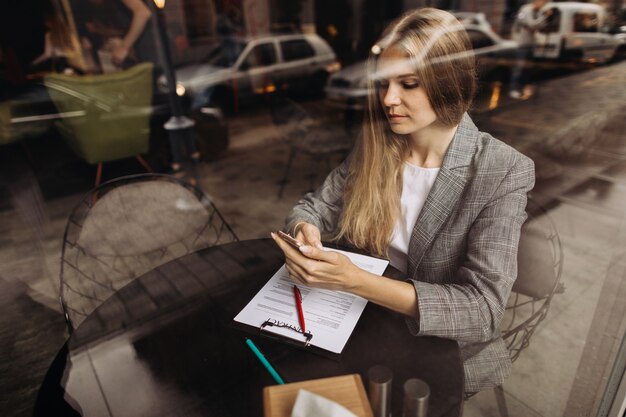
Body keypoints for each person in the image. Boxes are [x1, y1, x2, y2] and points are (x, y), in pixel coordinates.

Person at [271, 8, 535, 393]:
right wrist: (305, 232)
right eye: (383, 84)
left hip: (443, 348)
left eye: (409, 84)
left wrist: (355, 281)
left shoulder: (502, 170)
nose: (389, 99)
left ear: (448, 83)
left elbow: (482, 311)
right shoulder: (379, 143)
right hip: (367, 322)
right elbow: (314, 206)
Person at [509, 0, 552, 98]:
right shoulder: (526, 10)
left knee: (527, 69)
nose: (544, 5)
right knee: (519, 68)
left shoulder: (537, 12)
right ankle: (514, 89)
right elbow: (532, 24)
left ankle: (522, 88)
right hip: (522, 43)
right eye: (543, 2)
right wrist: (545, 16)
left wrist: (545, 18)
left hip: (531, 43)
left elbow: (541, 26)